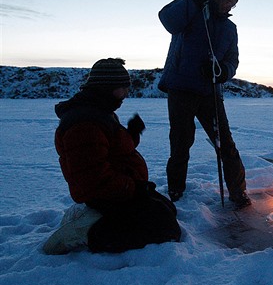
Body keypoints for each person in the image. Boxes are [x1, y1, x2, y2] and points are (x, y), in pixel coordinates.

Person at [43, 58, 181, 255]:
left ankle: (96, 218)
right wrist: (131, 188)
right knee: (165, 230)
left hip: (119, 187)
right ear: (106, 87)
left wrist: (132, 134)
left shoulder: (100, 112)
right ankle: (87, 231)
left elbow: (116, 149)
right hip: (104, 194)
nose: (126, 93)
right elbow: (92, 179)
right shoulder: (84, 124)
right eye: (122, 88)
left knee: (166, 209)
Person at [158, 0, 251, 208]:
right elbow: (168, 19)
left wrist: (222, 73)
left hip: (210, 91)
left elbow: (232, 59)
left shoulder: (230, 28)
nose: (229, 7)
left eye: (233, 3)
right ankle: (175, 191)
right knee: (181, 142)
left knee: (225, 143)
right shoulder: (193, 11)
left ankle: (238, 192)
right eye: (227, 0)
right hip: (181, 88)